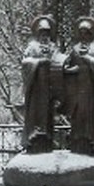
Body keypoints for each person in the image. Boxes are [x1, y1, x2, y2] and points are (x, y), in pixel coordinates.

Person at [62, 17, 94, 157]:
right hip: (77, 91)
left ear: (91, 33)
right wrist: (70, 71)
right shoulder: (74, 49)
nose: (83, 35)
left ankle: (92, 144)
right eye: (81, 32)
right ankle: (77, 143)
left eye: (86, 32)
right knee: (78, 117)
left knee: (91, 118)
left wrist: (88, 60)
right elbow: (66, 67)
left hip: (92, 91)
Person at [21, 16, 59, 153]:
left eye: (47, 32)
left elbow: (59, 62)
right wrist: (39, 62)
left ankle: (47, 136)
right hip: (36, 87)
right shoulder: (32, 47)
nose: (45, 35)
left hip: (49, 87)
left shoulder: (53, 48)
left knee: (48, 113)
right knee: (35, 113)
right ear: (38, 33)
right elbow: (25, 64)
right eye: (42, 32)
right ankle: (34, 135)